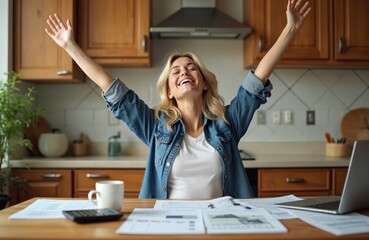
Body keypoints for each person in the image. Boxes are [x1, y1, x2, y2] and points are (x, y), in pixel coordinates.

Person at [45, 0, 311, 199]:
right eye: (176, 71)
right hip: (167, 224)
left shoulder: (227, 123)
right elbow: (113, 89)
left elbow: (256, 82)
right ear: (170, 90)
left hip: (221, 223)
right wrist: (70, 46)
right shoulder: (155, 127)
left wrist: (290, 28)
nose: (184, 71)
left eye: (191, 68)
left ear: (204, 83)